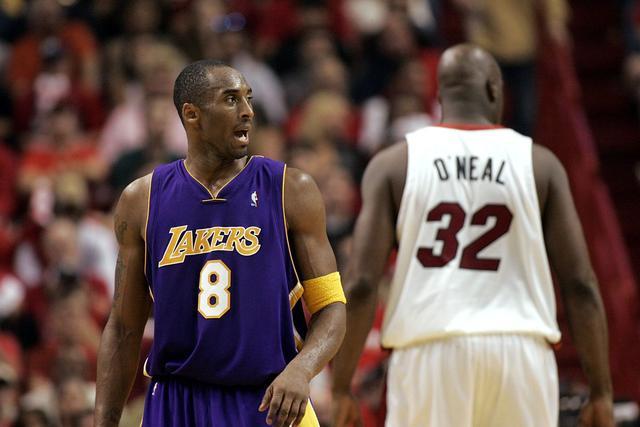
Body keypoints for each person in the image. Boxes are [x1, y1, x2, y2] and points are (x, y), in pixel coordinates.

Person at [331, 44, 614, 427]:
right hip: (520, 349)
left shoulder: (394, 164)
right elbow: (580, 284)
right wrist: (601, 391)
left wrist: (342, 386)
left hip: (429, 345)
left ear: (440, 97)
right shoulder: (540, 164)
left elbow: (362, 283)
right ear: (495, 90)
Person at [95, 60, 347, 427]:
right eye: (231, 100)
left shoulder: (290, 190)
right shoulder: (142, 200)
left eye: (248, 99)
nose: (247, 111)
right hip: (176, 403)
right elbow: (123, 328)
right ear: (192, 114)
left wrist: (303, 368)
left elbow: (332, 306)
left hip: (267, 399)